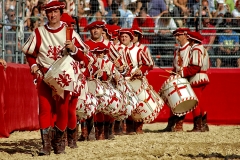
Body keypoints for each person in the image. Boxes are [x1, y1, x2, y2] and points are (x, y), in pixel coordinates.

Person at [22, 1, 89, 155]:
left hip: (63, 77)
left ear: (60, 13)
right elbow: (30, 53)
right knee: (45, 109)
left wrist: (74, 49)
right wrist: (33, 66)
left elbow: (82, 56)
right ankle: (45, 145)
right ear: (46, 14)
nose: (52, 15)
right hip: (45, 75)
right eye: (49, 12)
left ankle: (59, 142)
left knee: (63, 110)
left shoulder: (69, 32)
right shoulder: (39, 32)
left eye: (55, 12)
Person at [158, 28, 191, 132]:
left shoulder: (189, 49)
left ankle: (179, 124)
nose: (177, 38)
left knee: (181, 101)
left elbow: (188, 65)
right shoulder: (177, 50)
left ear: (185, 35)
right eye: (176, 36)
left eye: (179, 35)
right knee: (173, 100)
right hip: (177, 76)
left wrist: (182, 73)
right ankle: (171, 124)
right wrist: (173, 73)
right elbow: (175, 66)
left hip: (185, 77)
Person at [186, 31, 210, 132]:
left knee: (195, 103)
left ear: (192, 40)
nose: (188, 41)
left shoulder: (196, 49)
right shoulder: (202, 48)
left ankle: (198, 126)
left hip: (197, 77)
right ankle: (204, 124)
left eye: (189, 39)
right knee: (200, 101)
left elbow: (195, 66)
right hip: (203, 76)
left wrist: (183, 72)